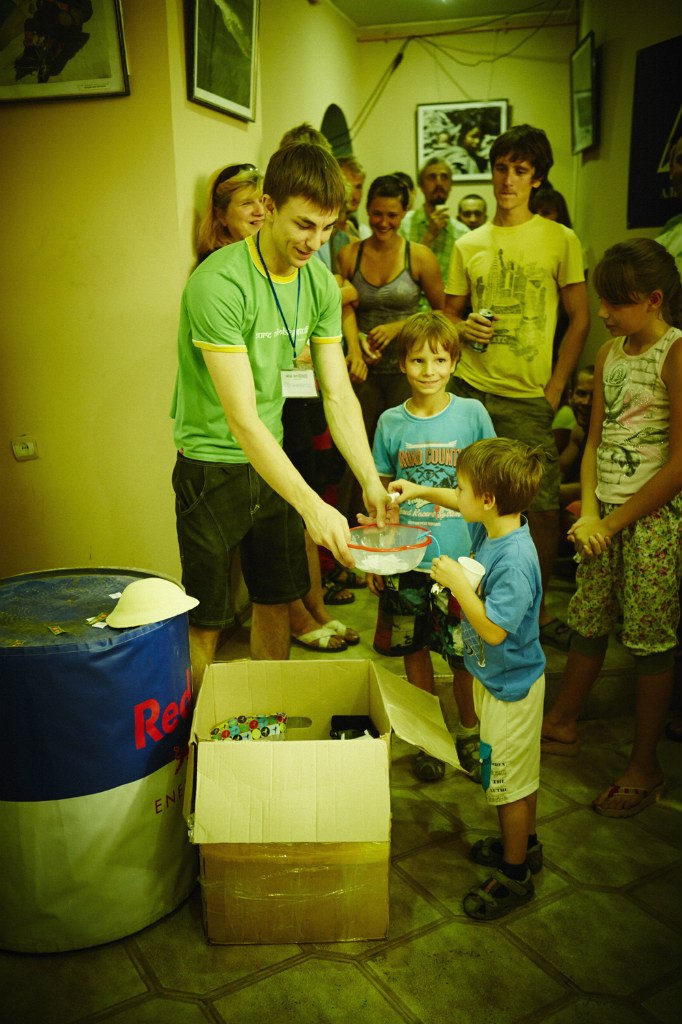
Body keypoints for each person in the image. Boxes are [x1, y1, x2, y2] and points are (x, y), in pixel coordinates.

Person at [171, 142, 390, 688]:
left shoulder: (317, 281)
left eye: (327, 228)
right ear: (267, 207)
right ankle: (195, 742)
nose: (315, 243)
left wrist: (369, 479)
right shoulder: (217, 283)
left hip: (273, 461)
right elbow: (241, 418)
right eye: (304, 225)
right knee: (208, 619)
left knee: (276, 597)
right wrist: (313, 506)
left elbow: (336, 392)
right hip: (212, 463)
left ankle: (265, 720)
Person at [541, 238, 682, 817]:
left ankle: (644, 766)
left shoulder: (675, 353)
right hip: (608, 519)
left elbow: (678, 463)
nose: (602, 313)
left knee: (649, 641)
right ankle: (564, 719)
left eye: (616, 303)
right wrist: (594, 512)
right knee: (588, 621)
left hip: (652, 523)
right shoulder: (609, 355)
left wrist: (618, 519)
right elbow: (595, 439)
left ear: (653, 299)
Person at [444, 124, 590, 651]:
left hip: (529, 395)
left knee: (542, 504)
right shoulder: (469, 243)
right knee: (467, 498)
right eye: (501, 168)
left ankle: (537, 603)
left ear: (537, 177)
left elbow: (580, 317)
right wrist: (461, 329)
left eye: (520, 170)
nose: (508, 180)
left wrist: (554, 389)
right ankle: (476, 590)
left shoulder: (560, 239)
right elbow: (449, 315)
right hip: (472, 387)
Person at [391, 438, 546, 920]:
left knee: (505, 783)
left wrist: (458, 582)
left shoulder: (515, 560)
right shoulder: (498, 525)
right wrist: (418, 490)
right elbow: (459, 502)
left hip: (511, 690)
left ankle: (514, 874)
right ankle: (525, 845)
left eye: (459, 489)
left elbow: (496, 631)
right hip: (498, 681)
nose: (454, 496)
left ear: (487, 500)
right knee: (518, 776)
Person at [367, 311, 496, 782]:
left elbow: (491, 486)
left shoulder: (473, 414)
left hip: (461, 564)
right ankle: (428, 736)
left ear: (454, 363)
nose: (428, 369)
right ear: (402, 364)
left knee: (463, 656)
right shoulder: (389, 422)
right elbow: (383, 494)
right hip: (407, 562)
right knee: (413, 649)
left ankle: (468, 731)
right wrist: (378, 558)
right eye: (418, 360)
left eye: (439, 359)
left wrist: (489, 556)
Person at [337, 174, 445, 449]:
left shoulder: (419, 256)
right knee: (359, 445)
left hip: (408, 368)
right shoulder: (350, 255)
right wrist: (355, 351)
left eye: (392, 215)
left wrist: (399, 327)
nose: (383, 222)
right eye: (377, 214)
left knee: (405, 445)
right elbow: (344, 307)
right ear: (367, 210)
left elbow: (443, 315)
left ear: (404, 213)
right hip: (364, 370)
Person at [399, 158, 468, 304]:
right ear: (421, 185)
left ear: (450, 185)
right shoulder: (403, 224)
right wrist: (428, 236)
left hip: (445, 314)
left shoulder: (463, 234)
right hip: (408, 311)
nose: (439, 183)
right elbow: (396, 276)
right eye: (432, 177)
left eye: (444, 177)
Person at [196, 163, 265, 264]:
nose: (260, 211)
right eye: (247, 203)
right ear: (221, 216)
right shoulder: (216, 265)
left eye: (263, 200)